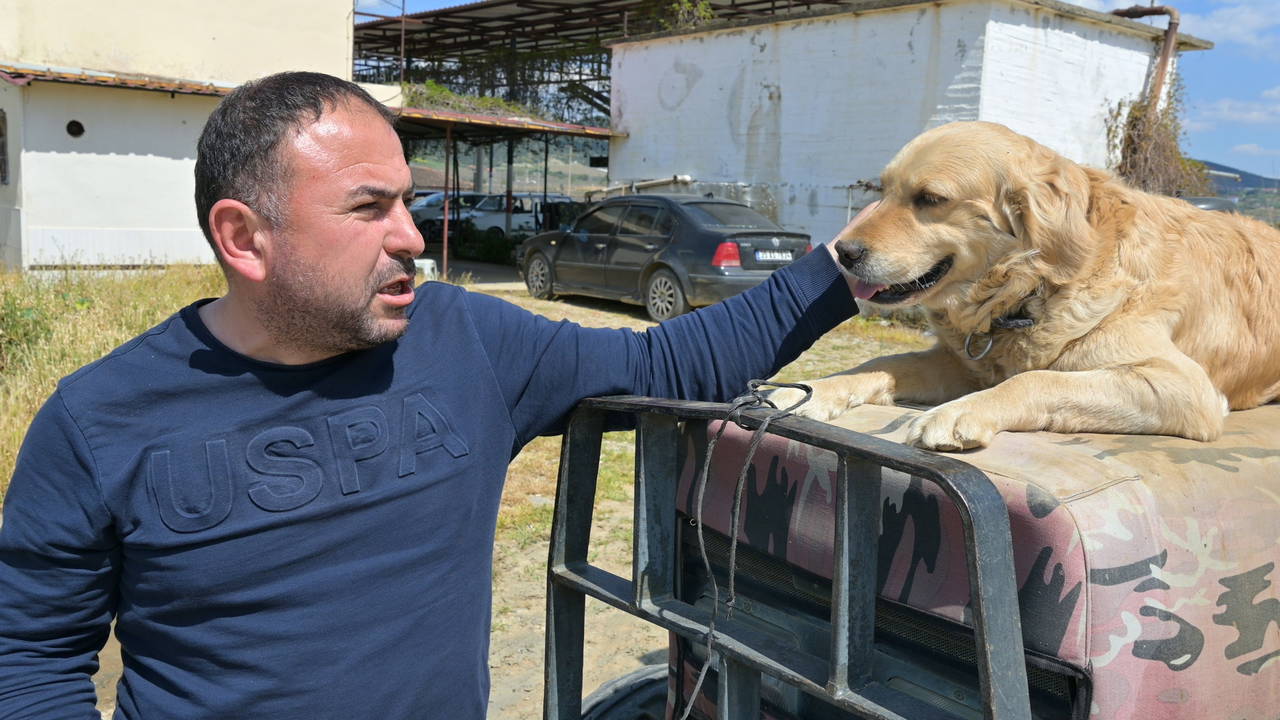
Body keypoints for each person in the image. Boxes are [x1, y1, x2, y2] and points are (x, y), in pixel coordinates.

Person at [0, 71, 861, 719]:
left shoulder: (464, 342)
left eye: (406, 201)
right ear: (243, 237)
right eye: (368, 208)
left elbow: (675, 366)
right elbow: (29, 659)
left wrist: (862, 259)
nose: (412, 236)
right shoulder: (97, 419)